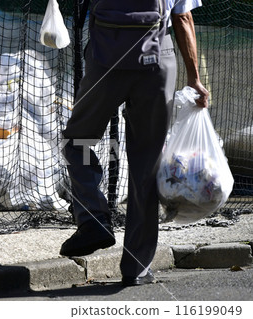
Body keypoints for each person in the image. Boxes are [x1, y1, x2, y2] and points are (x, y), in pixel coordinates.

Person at [60, 0, 209, 286]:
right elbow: (183, 18)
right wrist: (194, 79)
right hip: (157, 60)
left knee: (77, 139)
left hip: (106, 54)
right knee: (147, 162)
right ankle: (137, 267)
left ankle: (93, 218)